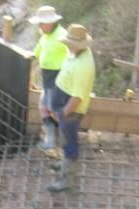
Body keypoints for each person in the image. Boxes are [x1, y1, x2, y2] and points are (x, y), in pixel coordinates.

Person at [47, 23, 96, 193]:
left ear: (77, 45)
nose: (66, 46)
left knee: (69, 144)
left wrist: (62, 114)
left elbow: (77, 98)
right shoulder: (78, 52)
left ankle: (66, 180)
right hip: (64, 103)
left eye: (69, 44)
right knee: (65, 138)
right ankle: (64, 164)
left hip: (70, 109)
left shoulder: (84, 67)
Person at [29, 6, 68, 151]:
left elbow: (73, 55)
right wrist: (29, 56)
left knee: (55, 110)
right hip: (47, 78)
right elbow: (37, 51)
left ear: (51, 22)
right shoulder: (45, 36)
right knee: (43, 107)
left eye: (41, 23)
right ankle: (51, 140)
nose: (39, 26)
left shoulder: (62, 35)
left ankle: (66, 142)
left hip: (58, 78)